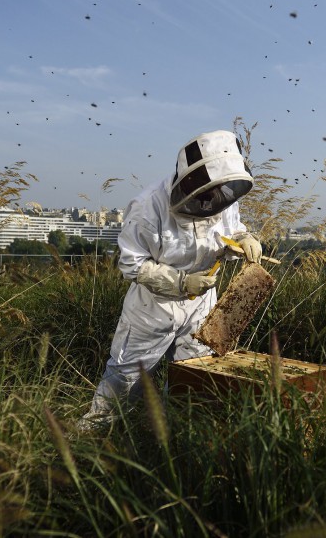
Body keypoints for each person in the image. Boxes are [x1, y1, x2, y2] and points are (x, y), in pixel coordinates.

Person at [77, 130, 262, 432]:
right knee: (127, 377)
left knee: (195, 374)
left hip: (202, 305)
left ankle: (178, 435)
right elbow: (131, 263)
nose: (212, 202)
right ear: (190, 183)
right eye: (207, 195)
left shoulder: (223, 196)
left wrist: (243, 239)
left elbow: (230, 228)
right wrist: (180, 283)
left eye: (220, 193)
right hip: (153, 309)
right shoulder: (148, 206)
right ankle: (93, 438)